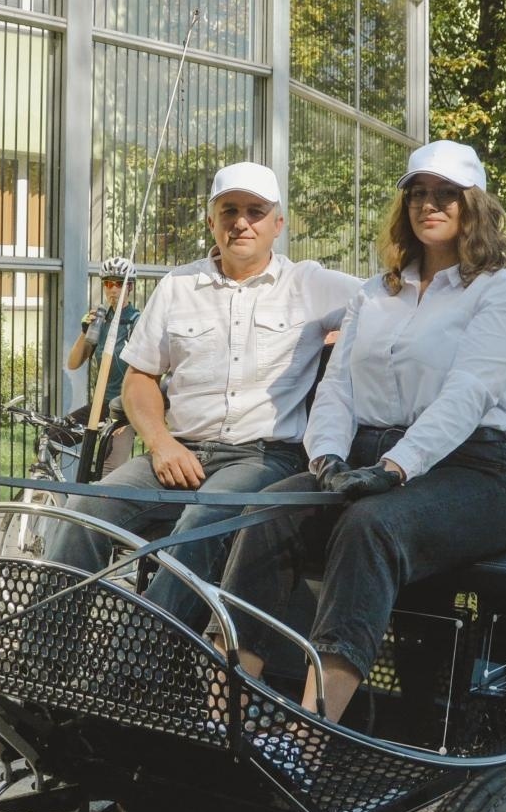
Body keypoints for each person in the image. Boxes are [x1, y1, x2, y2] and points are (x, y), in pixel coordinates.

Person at [217, 140, 506, 737]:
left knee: (371, 526)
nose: (429, 204)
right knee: (268, 510)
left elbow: (466, 396)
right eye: (418, 193)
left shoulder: (501, 292)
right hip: (366, 459)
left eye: (445, 194)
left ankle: (309, 736)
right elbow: (337, 387)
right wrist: (327, 457)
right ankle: (224, 715)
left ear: (475, 206)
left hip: (473, 473)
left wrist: (394, 469)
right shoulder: (374, 291)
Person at [45, 162, 362, 621]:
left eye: (256, 211)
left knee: (199, 524)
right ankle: (39, 664)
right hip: (179, 452)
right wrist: (160, 443)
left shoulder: (312, 285)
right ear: (210, 221)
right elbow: (139, 380)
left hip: (265, 458)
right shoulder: (178, 286)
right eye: (228, 210)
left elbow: (392, 304)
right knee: (86, 509)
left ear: (278, 224)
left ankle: (137, 669)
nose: (241, 222)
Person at [65, 256, 142, 424]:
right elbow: (73, 363)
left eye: (119, 284)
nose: (113, 289)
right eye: (108, 284)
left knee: (111, 451)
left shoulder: (136, 322)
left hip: (124, 408)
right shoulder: (101, 322)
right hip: (101, 403)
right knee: (54, 435)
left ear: (129, 287)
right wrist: (85, 331)